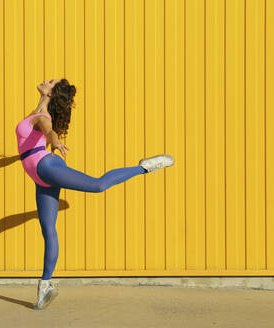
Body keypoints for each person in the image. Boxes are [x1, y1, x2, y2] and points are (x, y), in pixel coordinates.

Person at [15, 78, 174, 310]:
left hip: (46, 167)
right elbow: (30, 141)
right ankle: (46, 285)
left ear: (51, 94)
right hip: (40, 174)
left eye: (51, 82)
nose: (45, 80)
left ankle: (144, 167)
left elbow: (49, 132)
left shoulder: (43, 117)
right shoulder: (36, 112)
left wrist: (56, 141)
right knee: (48, 230)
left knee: (98, 185)